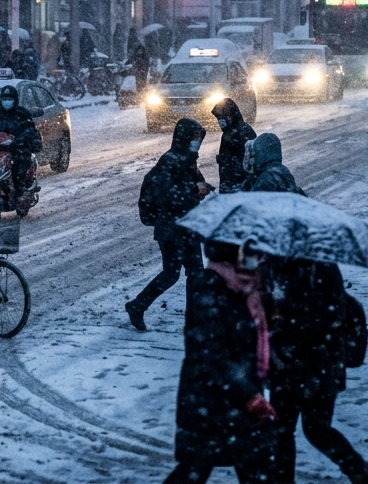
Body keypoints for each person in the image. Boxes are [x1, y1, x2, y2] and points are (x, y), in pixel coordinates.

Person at [169, 240, 278, 483]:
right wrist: (248, 394)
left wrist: (271, 315)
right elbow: (210, 352)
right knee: (195, 470)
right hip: (210, 398)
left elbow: (255, 339)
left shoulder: (248, 287)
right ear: (233, 254)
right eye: (250, 252)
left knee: (254, 469)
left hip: (241, 396)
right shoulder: (209, 286)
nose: (257, 258)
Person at [266, 254, 368, 484]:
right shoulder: (276, 265)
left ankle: (358, 469)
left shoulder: (320, 269)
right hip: (295, 363)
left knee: (308, 428)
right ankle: (357, 469)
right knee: (287, 430)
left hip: (314, 362)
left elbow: (330, 314)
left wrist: (288, 325)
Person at [125, 118, 213, 331]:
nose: (197, 143)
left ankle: (193, 317)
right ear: (185, 137)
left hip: (186, 227)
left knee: (192, 273)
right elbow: (167, 196)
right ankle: (138, 305)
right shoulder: (171, 160)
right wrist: (195, 190)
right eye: (194, 138)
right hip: (172, 229)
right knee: (173, 274)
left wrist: (201, 188)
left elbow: (189, 186)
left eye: (199, 139)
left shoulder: (188, 160)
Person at [212, 98, 257, 193]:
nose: (220, 121)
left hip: (239, 186)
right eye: (218, 118)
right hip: (230, 185)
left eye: (221, 117)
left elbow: (249, 159)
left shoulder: (243, 131)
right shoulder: (228, 133)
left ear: (229, 116)